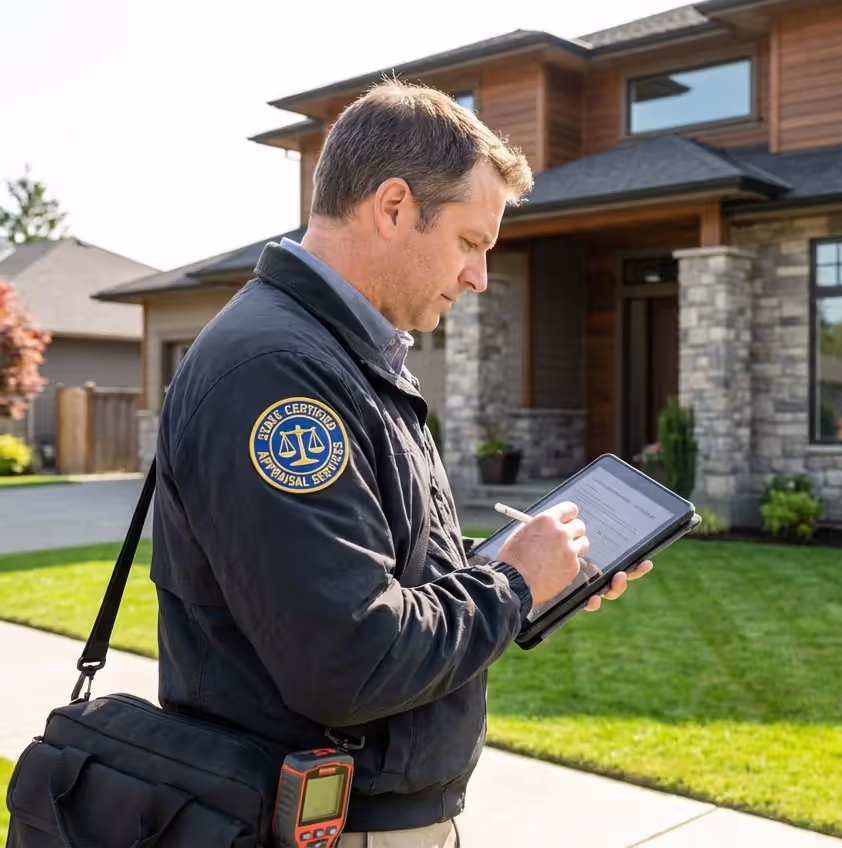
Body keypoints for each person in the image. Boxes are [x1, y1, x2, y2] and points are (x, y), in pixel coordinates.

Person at [148, 80, 652, 848]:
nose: (479, 277)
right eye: (471, 243)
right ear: (391, 207)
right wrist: (513, 584)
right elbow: (349, 657)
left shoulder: (346, 355)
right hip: (324, 826)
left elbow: (392, 581)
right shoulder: (279, 374)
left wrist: (536, 576)